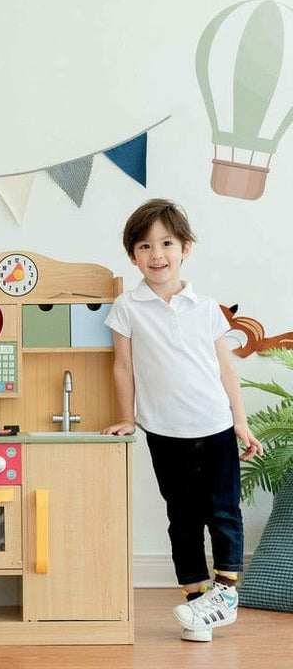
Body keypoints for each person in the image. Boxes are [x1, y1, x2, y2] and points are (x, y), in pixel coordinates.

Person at [101, 198, 263, 643]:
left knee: (223, 512)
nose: (156, 254)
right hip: (165, 433)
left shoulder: (206, 307)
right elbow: (122, 367)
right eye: (145, 246)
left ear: (185, 248)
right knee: (183, 519)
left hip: (215, 427)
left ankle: (225, 593)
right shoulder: (127, 307)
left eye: (166, 243)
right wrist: (127, 418)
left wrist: (241, 422)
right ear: (132, 255)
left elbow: (226, 369)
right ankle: (198, 603)